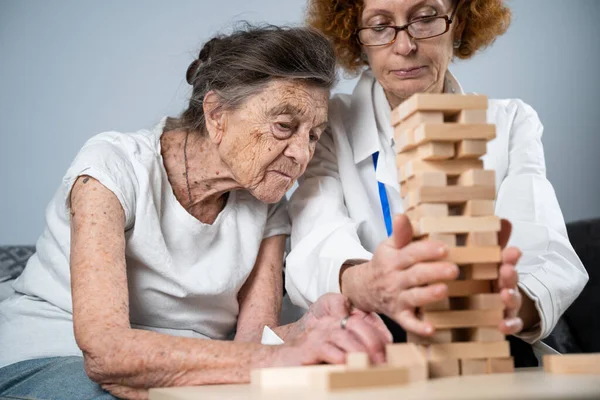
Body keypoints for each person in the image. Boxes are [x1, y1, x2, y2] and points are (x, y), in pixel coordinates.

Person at [0, 25, 392, 400]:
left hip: (191, 376)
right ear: (216, 114)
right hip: (50, 356)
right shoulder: (112, 169)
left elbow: (254, 345)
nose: (302, 155)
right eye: (285, 126)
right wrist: (278, 358)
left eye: (313, 135)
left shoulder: (268, 206)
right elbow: (106, 351)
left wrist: (308, 328)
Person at [286, 0, 588, 365]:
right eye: (381, 26)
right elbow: (314, 243)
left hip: (485, 347)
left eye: (425, 19)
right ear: (357, 38)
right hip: (374, 346)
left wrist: (509, 300)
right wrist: (371, 283)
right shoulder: (330, 122)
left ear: (457, 24)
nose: (404, 45)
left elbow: (546, 250)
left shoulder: (509, 122)